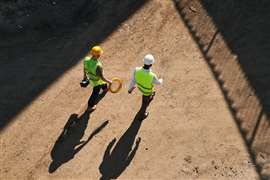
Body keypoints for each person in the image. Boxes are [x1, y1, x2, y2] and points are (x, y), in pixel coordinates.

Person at [128, 54, 163, 119]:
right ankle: (142, 115)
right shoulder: (152, 75)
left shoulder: (136, 70)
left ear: (143, 62)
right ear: (151, 64)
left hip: (140, 88)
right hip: (147, 92)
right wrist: (161, 79)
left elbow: (133, 80)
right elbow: (158, 83)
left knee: (149, 96)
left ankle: (151, 95)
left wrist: (129, 89)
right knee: (144, 104)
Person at [81, 46, 112, 112]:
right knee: (95, 92)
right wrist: (109, 81)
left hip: (91, 78)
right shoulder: (98, 65)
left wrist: (84, 77)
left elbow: (84, 69)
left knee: (103, 84)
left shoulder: (86, 59)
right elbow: (102, 78)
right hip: (96, 81)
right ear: (98, 55)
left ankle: (105, 89)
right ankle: (90, 106)